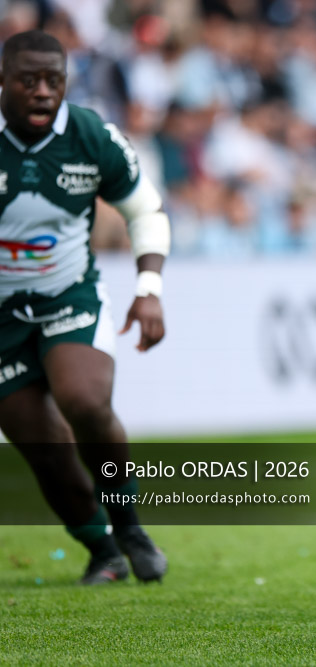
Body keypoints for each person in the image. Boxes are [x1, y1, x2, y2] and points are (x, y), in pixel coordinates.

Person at [0, 30, 170, 584]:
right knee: (40, 446)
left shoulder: (92, 135)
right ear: (4, 81)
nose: (43, 92)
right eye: (29, 81)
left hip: (69, 297)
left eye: (54, 80)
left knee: (84, 400)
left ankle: (129, 525)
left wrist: (149, 289)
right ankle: (102, 549)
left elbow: (146, 211)